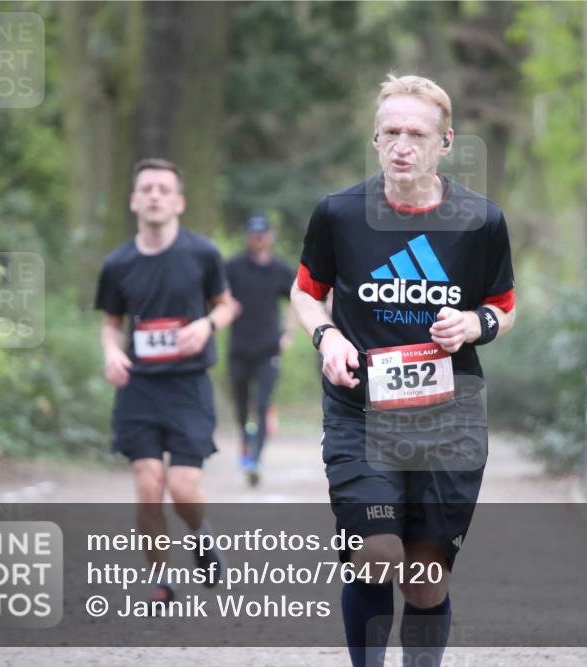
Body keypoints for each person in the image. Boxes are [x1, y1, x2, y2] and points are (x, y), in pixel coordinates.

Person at [290, 75, 516, 667]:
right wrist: (327, 335)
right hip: (361, 414)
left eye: (415, 134)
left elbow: (504, 308)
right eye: (390, 132)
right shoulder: (339, 214)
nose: (401, 146)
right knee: (377, 552)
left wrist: (472, 326)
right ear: (375, 139)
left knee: (423, 577)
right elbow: (305, 293)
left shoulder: (481, 221)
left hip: (450, 420)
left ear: (445, 142)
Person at [95, 158, 237, 610]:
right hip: (138, 389)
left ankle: (200, 533)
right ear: (134, 200)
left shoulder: (202, 253)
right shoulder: (117, 263)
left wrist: (206, 326)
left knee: (182, 486)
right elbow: (111, 323)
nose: (154, 195)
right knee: (147, 483)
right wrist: (112, 352)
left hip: (188, 387)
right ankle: (161, 580)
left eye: (163, 189)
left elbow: (227, 305)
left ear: (178, 201)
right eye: (147, 189)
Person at [223, 212, 297, 486]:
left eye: (262, 234)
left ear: (270, 237)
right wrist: (226, 308)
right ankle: (245, 446)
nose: (258, 239)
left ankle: (255, 458)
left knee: (263, 405)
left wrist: (288, 333)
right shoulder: (232, 267)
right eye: (254, 234)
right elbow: (216, 295)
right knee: (242, 406)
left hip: (268, 349)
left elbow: (297, 299)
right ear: (248, 236)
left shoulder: (280, 269)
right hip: (239, 347)